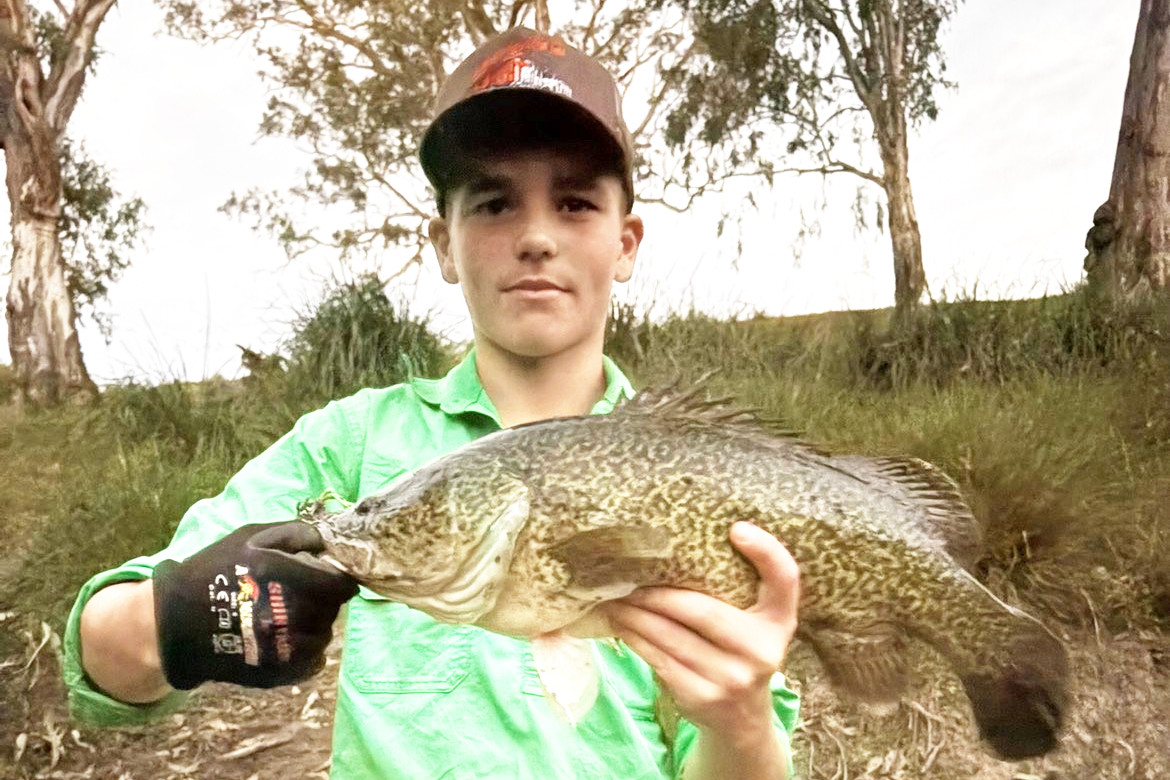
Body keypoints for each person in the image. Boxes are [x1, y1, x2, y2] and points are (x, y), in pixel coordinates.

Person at [64, 27, 802, 780]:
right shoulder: (349, 447)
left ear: (627, 243)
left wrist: (740, 722)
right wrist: (182, 618)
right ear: (443, 245)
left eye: (576, 203)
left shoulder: (701, 473)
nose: (537, 237)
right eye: (493, 205)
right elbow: (102, 667)